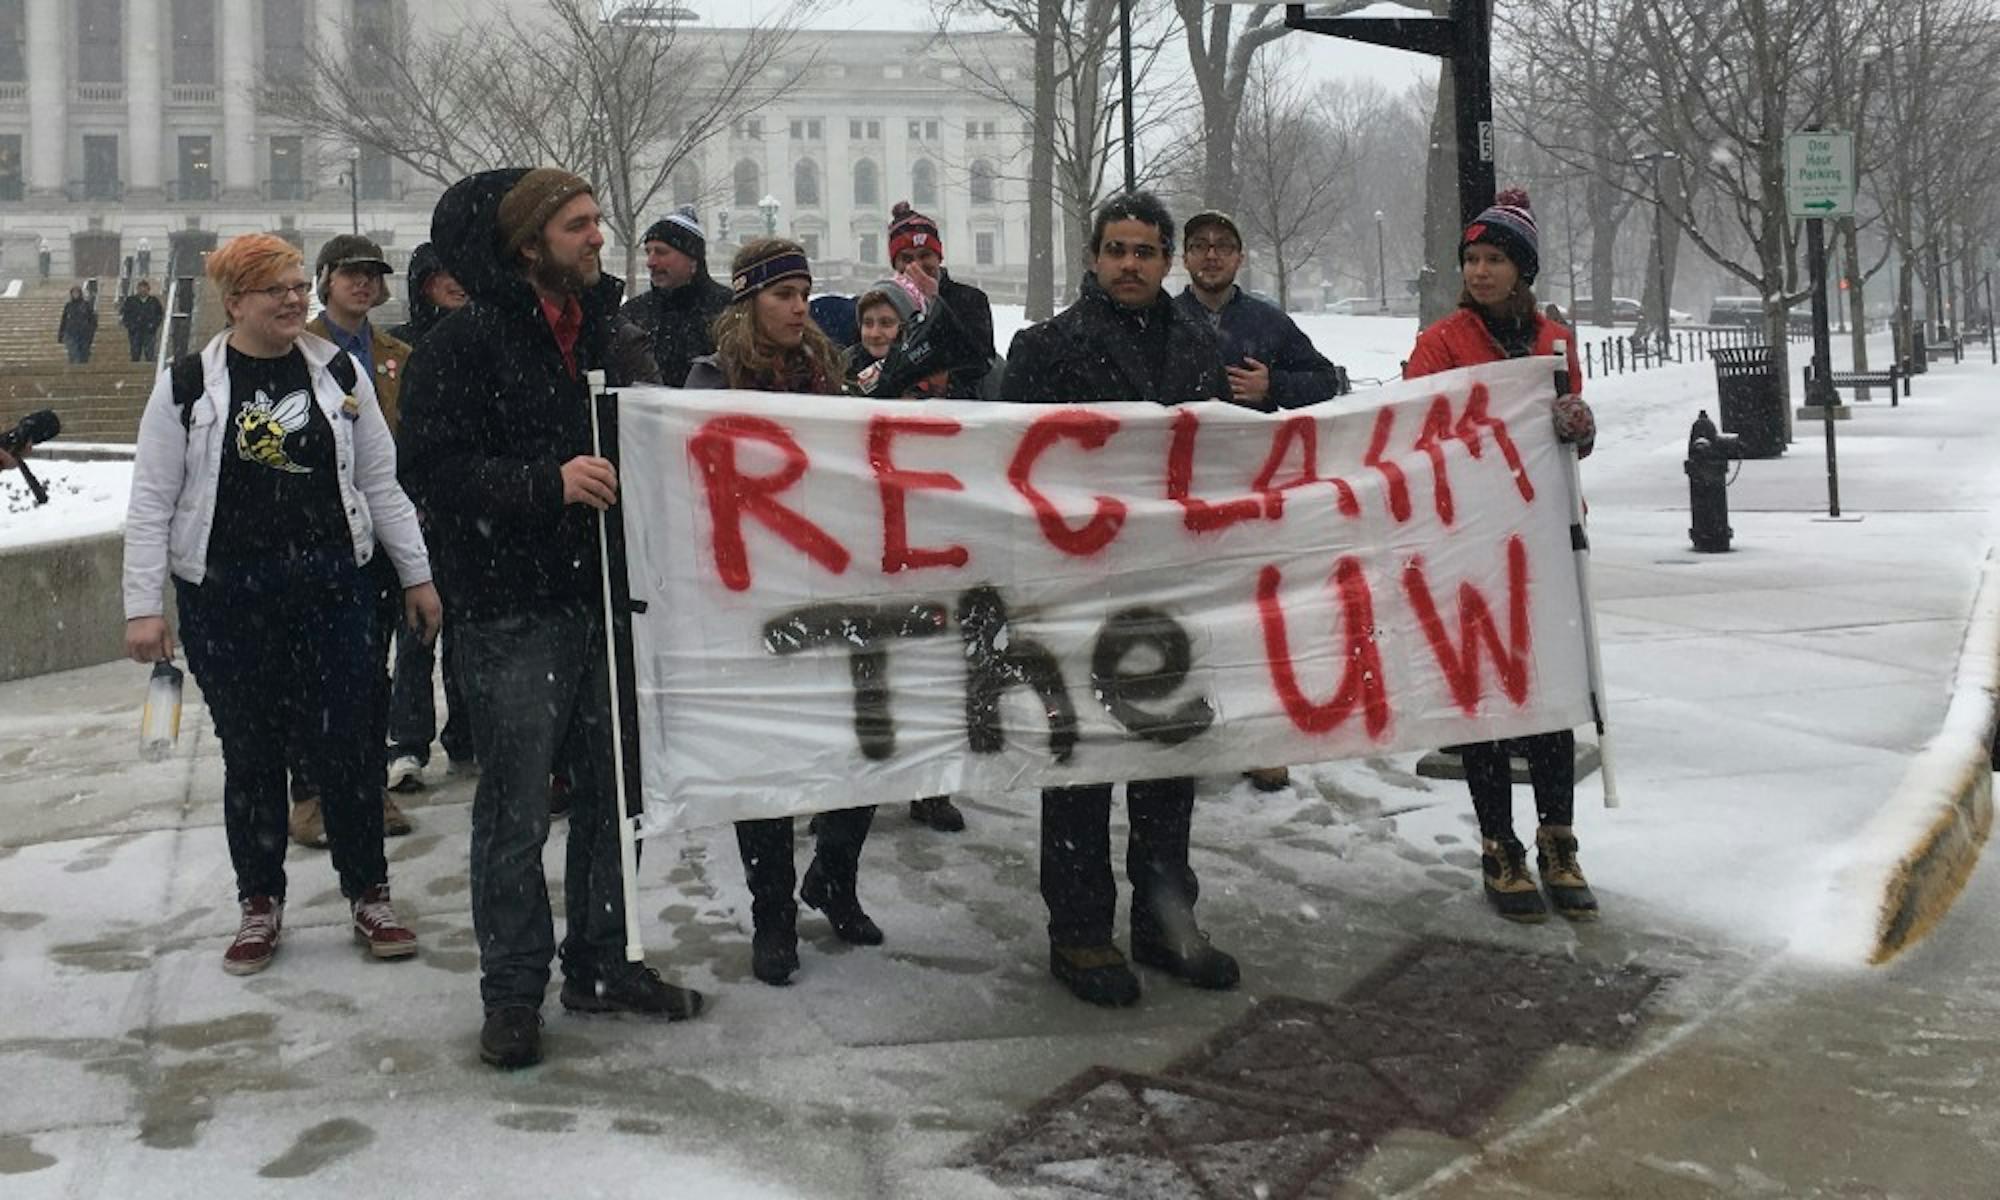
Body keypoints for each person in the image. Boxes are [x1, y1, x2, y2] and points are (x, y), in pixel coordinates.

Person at [399, 167, 704, 1070]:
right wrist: (546, 483)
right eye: (579, 225)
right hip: (511, 612)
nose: (599, 237)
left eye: (598, 222)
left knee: (616, 798)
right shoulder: (464, 344)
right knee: (517, 812)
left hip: (607, 599)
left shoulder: (609, 329)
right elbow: (433, 472)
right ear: (529, 243)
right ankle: (513, 993)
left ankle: (605, 964)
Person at [120, 232, 439, 977]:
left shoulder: (339, 375)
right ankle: (259, 901)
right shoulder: (187, 385)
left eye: (300, 285)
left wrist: (418, 575)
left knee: (350, 750)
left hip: (334, 587)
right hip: (227, 597)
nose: (295, 299)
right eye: (276, 289)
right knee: (253, 755)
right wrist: (144, 606)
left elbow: (380, 485)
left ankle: (370, 891)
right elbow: (151, 503)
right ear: (235, 303)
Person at [1002, 190, 1241, 1008]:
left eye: (1145, 251)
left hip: (1173, 585)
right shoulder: (1043, 348)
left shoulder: (1204, 342)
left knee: (1170, 760)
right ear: (1094, 258)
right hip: (1079, 587)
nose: (1130, 264)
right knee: (1079, 760)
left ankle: (1166, 920)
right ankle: (1078, 931)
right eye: (1116, 250)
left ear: (1166, 259)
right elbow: (1003, 466)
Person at [686, 237, 886, 987]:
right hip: (750, 600)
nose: (799, 306)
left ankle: (834, 874)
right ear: (748, 303)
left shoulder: (832, 384)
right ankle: (772, 912)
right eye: (781, 293)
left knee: (864, 743)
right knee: (765, 760)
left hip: (831, 589)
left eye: (804, 291)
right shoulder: (705, 387)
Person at [1403, 187, 1598, 925]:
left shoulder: (1554, 342)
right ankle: (1499, 843)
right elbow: (1416, 431)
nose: (1481, 272)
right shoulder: (1443, 343)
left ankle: (1559, 838)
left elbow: (1571, 442)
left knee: (1546, 693)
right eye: (1472, 259)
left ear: (1524, 270)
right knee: (1483, 694)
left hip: (1545, 539)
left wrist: (1579, 426)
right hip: (1473, 543)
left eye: (1495, 260)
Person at [1174, 208, 1345, 797]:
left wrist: (1273, 388)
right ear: (1185, 257)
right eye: (1200, 246)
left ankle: (1262, 741)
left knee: (1258, 623)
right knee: (1190, 620)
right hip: (1185, 502)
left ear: (1240, 257)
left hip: (1256, 502)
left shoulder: (1268, 323)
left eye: (1223, 246)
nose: (1212, 256)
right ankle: (1189, 736)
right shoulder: (1163, 320)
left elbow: (1327, 381)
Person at [295, 234, 418, 844]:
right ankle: (313, 792)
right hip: (315, 530)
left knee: (373, 671)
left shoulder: (396, 352)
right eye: (350, 273)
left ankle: (369, 788)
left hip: (382, 525)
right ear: (324, 279)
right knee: (312, 672)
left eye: (372, 274)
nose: (363, 284)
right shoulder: (296, 348)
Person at [840, 275, 974, 835]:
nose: (875, 333)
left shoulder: (941, 381)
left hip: (930, 543)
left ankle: (930, 787)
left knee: (932, 672)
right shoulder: (843, 378)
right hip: (871, 544)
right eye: (868, 322)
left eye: (888, 323)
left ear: (909, 328)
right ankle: (857, 787)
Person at [381, 240, 477, 795]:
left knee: (465, 630)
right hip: (414, 509)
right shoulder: (402, 348)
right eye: (446, 274)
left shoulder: (483, 340)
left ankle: (464, 732)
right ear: (424, 282)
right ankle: (407, 741)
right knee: (417, 630)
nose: (457, 283)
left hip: (466, 511)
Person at [888, 201, 997, 397]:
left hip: (958, 408)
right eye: (906, 258)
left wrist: (935, 302)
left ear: (939, 257)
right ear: (895, 264)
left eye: (925, 255)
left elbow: (980, 362)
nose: (917, 265)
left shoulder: (971, 300)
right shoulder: (881, 304)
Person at [619, 205, 731, 386]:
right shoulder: (632, 314)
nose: (650, 262)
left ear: (693, 259)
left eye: (661, 252)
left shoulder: (729, 311)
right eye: (648, 252)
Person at [386, 242, 468, 348]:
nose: (461, 281)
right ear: (425, 284)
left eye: (466, 274)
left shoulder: (487, 338)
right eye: (450, 274)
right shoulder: (395, 344)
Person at [120, 279, 165, 362]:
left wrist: (153, 325)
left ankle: (149, 367)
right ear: (137, 289)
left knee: (149, 352)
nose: (143, 290)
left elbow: (159, 315)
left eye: (145, 288)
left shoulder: (154, 301)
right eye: (141, 288)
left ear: (148, 289)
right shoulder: (131, 300)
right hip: (135, 331)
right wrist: (130, 325)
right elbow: (125, 314)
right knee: (135, 352)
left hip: (149, 330)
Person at [58, 286, 97, 364]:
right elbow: (64, 320)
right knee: (73, 352)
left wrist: (90, 330)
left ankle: (81, 369)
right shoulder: (68, 305)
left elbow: (92, 319)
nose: (75, 295)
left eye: (77, 293)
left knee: (83, 353)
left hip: (84, 333)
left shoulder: (86, 305)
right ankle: (75, 369)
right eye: (74, 293)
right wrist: (61, 334)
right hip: (71, 333)